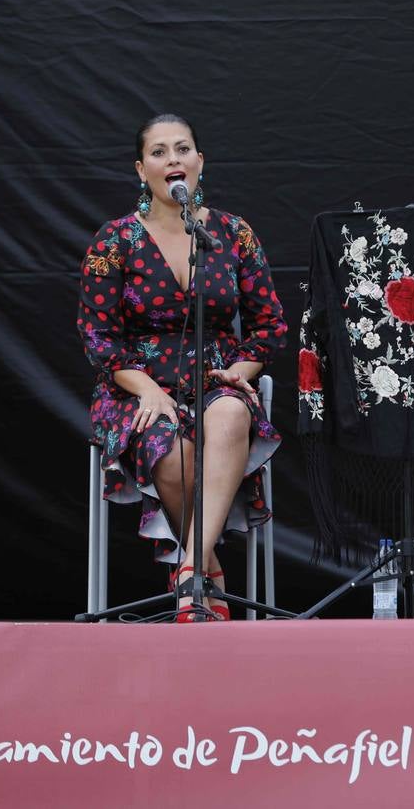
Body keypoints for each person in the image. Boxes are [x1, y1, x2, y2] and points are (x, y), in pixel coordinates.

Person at [77, 113, 287, 622]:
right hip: (138, 389)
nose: (173, 159)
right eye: (159, 151)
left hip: (218, 378)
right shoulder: (115, 240)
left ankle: (189, 569)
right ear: (141, 169)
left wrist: (241, 369)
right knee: (170, 448)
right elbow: (97, 335)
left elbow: (270, 326)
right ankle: (208, 571)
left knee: (232, 415)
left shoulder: (234, 233)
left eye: (183, 148)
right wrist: (146, 389)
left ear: (199, 162)